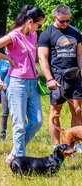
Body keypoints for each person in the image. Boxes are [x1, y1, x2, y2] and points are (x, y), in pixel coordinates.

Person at [0, 5, 45, 163]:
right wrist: (8, 59)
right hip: (17, 82)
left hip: (33, 82)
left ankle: (15, 152)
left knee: (37, 121)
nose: (39, 28)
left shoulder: (33, 35)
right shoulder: (14, 35)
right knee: (18, 124)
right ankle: (20, 160)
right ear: (30, 21)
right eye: (39, 25)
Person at [38, 5, 82, 146]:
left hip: (75, 76)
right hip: (57, 77)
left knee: (77, 110)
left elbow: (80, 54)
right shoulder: (46, 34)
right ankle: (57, 145)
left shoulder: (75, 32)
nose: (65, 24)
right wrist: (49, 79)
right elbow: (42, 58)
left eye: (67, 20)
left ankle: (75, 144)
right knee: (55, 111)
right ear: (54, 17)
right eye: (62, 21)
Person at [0, 59, 10, 141]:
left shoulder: (16, 58)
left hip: (14, 89)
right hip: (3, 90)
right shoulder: (2, 61)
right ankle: (2, 134)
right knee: (4, 113)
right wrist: (0, 81)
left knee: (16, 112)